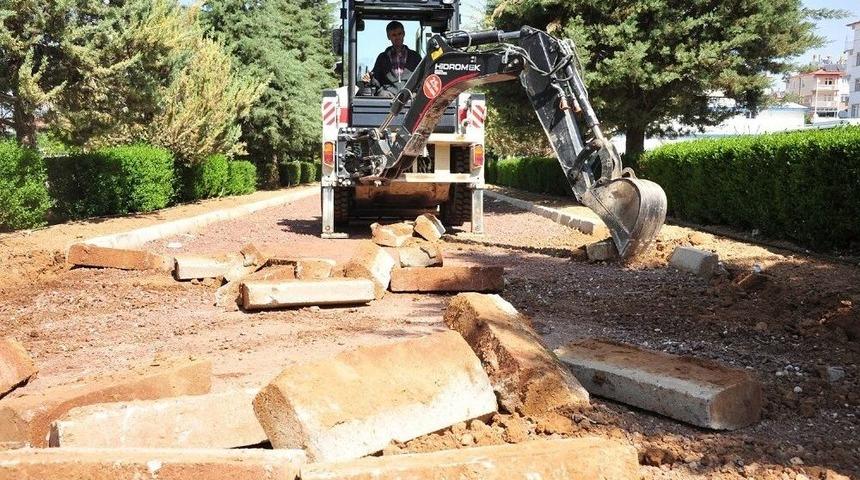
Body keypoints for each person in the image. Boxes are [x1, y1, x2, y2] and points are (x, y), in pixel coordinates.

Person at [364, 21, 421, 97]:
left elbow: (423, 77)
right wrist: (369, 79)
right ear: (388, 36)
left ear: (404, 34)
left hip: (409, 93)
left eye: (399, 34)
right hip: (389, 94)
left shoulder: (415, 57)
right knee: (382, 95)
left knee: (418, 97)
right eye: (394, 35)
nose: (397, 37)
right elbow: (376, 79)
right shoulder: (382, 58)